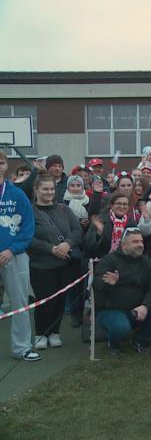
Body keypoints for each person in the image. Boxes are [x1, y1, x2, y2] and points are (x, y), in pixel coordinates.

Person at [94, 228, 151, 355]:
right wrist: (107, 282)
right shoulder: (108, 261)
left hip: (138, 310)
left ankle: (140, 339)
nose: (140, 245)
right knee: (121, 327)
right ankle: (113, 343)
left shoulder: (148, 263)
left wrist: (145, 306)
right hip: (111, 310)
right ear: (124, 245)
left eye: (141, 241)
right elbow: (96, 284)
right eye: (135, 242)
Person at [28, 175, 83, 350]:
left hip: (64, 264)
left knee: (60, 300)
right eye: (45, 189)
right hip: (41, 265)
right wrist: (51, 249)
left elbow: (77, 231)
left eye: (52, 188)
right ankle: (40, 333)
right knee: (45, 300)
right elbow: (28, 238)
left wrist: (67, 244)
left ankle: (55, 332)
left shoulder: (64, 209)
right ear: (36, 190)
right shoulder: (30, 211)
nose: (49, 192)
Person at [0, 151, 39, 361]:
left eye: (1, 162)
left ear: (6, 166)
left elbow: (28, 226)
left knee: (20, 303)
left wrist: (11, 249)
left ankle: (21, 347)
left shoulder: (17, 194)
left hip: (14, 255)